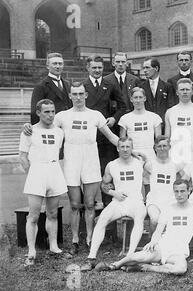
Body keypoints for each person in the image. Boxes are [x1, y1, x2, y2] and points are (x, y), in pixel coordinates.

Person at [53, 82, 123, 255]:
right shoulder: (62, 116)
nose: (78, 97)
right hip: (71, 162)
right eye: (74, 94)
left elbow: (112, 136)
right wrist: (29, 130)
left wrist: (129, 148)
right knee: (75, 204)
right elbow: (47, 132)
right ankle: (75, 240)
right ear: (70, 96)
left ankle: (90, 239)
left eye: (81, 94)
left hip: (90, 161)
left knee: (90, 204)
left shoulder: (95, 115)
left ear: (86, 95)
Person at [103, 179, 193, 274]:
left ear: (189, 191)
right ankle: (115, 265)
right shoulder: (169, 208)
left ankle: (148, 268)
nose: (179, 195)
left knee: (180, 269)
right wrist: (153, 242)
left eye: (182, 191)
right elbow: (159, 231)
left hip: (179, 250)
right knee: (137, 257)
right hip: (162, 246)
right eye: (176, 191)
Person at [80, 137, 149, 271]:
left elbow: (151, 162)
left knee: (139, 218)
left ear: (132, 148)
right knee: (102, 220)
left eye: (128, 147)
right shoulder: (112, 165)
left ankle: (130, 257)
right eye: (122, 147)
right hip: (118, 201)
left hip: (135, 201)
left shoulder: (139, 162)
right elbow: (103, 184)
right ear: (117, 148)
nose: (125, 149)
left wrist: (139, 153)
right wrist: (113, 193)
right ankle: (91, 258)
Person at [19, 99, 68, 266]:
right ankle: (31, 251)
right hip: (37, 172)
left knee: (53, 213)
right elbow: (23, 157)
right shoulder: (29, 131)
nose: (51, 115)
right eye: (47, 112)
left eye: (53, 111)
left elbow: (57, 153)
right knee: (33, 215)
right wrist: (32, 174)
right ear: (38, 112)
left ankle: (53, 246)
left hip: (54, 171)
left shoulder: (59, 132)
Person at [83, 55, 127, 208]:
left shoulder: (110, 85)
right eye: (94, 67)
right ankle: (88, 212)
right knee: (87, 175)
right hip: (87, 138)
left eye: (100, 68)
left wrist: (114, 118)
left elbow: (123, 106)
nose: (97, 70)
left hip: (106, 139)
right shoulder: (82, 87)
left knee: (107, 174)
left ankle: (110, 210)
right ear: (88, 68)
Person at [118, 87, 162, 195]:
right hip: (132, 154)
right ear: (131, 99)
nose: (138, 100)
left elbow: (159, 140)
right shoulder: (125, 118)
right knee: (133, 184)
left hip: (150, 153)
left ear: (145, 98)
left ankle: (149, 205)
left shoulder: (154, 117)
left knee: (150, 183)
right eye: (135, 98)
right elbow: (122, 141)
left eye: (140, 97)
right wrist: (129, 153)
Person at [145, 136, 184, 236]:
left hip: (170, 200)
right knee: (155, 219)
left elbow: (186, 178)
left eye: (165, 146)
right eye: (159, 146)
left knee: (171, 220)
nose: (162, 148)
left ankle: (167, 244)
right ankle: (152, 244)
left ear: (169, 147)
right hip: (154, 200)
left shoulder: (176, 163)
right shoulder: (149, 164)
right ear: (155, 148)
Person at [165, 78, 193, 164]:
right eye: (182, 90)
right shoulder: (170, 112)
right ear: (177, 92)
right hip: (175, 157)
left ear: (192, 92)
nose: (185, 92)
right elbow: (167, 138)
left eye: (187, 89)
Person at [30, 52, 72, 125]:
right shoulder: (41, 86)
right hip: (50, 126)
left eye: (60, 64)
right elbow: (35, 112)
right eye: (54, 63)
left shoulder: (67, 84)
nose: (58, 66)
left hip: (67, 125)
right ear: (47, 66)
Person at [138, 57, 174, 131]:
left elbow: (170, 107)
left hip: (164, 126)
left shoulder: (167, 86)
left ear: (156, 68)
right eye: (143, 68)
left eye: (147, 67)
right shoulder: (141, 87)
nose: (144, 70)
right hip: (146, 126)